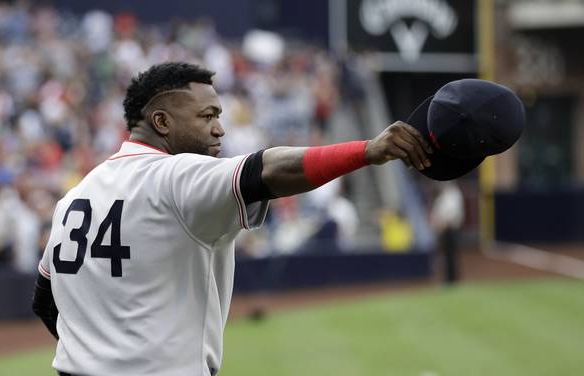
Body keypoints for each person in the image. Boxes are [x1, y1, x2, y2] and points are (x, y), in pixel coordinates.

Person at [32, 61, 432, 376]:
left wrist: (97, 352)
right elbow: (267, 170)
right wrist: (366, 151)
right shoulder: (175, 175)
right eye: (207, 116)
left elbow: (45, 300)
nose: (220, 128)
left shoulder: (75, 195)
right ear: (162, 122)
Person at [430, 181, 465, 284]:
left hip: (450, 229)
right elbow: (437, 212)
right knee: (445, 254)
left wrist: (442, 223)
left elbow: (452, 213)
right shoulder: (444, 194)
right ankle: (448, 278)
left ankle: (452, 279)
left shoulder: (453, 194)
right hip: (443, 229)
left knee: (450, 255)